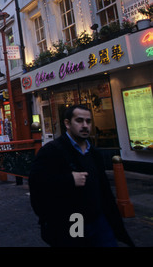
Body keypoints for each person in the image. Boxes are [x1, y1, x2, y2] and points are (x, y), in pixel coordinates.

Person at [28, 105, 134, 247]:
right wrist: (69, 180)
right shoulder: (52, 151)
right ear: (67, 123)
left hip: (99, 218)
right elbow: (37, 183)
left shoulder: (94, 153)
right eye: (79, 121)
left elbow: (104, 190)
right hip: (73, 220)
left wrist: (113, 218)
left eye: (88, 121)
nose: (85, 126)